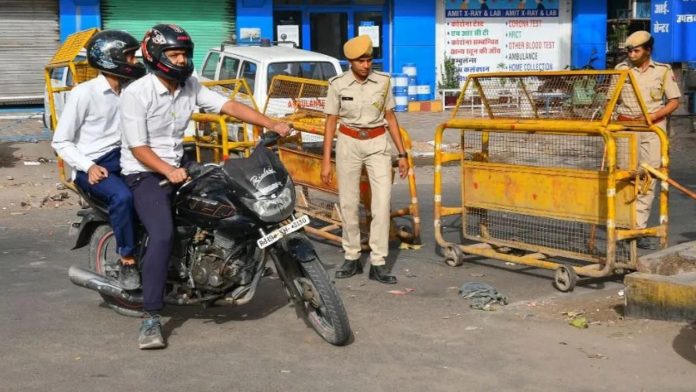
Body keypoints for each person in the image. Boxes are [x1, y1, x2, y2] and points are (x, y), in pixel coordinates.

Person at [120, 24, 291, 349]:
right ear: (156, 55)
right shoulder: (136, 94)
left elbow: (229, 106)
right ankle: (151, 317)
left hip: (179, 163)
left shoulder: (189, 85)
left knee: (231, 195)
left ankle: (223, 260)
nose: (182, 59)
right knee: (162, 234)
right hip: (145, 172)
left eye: (185, 53)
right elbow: (138, 148)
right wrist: (168, 170)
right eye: (175, 54)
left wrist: (270, 123)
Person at [52, 30, 145, 290]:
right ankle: (127, 259)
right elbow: (60, 141)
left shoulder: (131, 91)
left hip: (123, 158)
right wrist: (88, 166)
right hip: (92, 165)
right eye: (130, 57)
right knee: (122, 197)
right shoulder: (84, 93)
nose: (135, 63)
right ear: (111, 58)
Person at [320, 35, 409, 285]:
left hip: (377, 143)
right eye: (361, 61)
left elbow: (390, 118)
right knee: (349, 203)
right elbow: (330, 122)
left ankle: (378, 262)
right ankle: (352, 256)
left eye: (369, 60)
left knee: (381, 204)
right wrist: (326, 161)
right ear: (350, 61)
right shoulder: (338, 85)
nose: (366, 65)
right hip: (348, 143)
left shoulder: (383, 82)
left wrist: (402, 154)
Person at [615, 31, 681, 249]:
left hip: (653, 129)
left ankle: (638, 227)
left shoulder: (662, 71)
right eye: (629, 51)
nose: (631, 54)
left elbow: (674, 101)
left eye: (636, 50)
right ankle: (622, 226)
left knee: (648, 178)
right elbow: (611, 100)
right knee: (624, 176)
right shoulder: (621, 70)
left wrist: (652, 116)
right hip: (626, 127)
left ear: (648, 51)